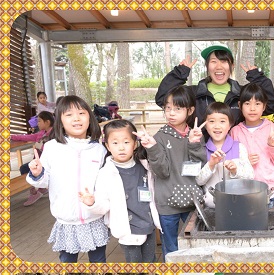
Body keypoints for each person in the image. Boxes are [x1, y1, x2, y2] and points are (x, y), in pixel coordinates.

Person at [26, 95, 109, 263]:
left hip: (94, 217)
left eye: (81, 113)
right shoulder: (51, 148)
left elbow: (105, 184)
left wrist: (98, 203)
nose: (76, 118)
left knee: (99, 262)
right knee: (67, 262)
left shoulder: (99, 150)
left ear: (90, 118)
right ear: (60, 121)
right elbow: (43, 182)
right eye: (69, 114)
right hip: (66, 221)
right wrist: (37, 174)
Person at [137, 85, 206, 260]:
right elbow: (162, 172)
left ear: (190, 110)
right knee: (171, 246)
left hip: (192, 202)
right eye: (168, 108)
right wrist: (152, 148)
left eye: (177, 108)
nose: (171, 113)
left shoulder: (196, 134)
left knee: (195, 243)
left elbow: (200, 168)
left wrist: (193, 144)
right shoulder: (159, 137)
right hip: (167, 204)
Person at [78, 119, 161, 263]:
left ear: (135, 144)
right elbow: (104, 204)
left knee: (151, 262)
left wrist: (151, 147)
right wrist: (92, 203)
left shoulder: (144, 166)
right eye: (115, 143)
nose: (121, 148)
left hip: (149, 224)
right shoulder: (106, 173)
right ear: (107, 146)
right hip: (128, 229)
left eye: (126, 142)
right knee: (135, 268)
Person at [155, 44, 274, 140]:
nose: (219, 66)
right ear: (207, 66)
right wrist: (179, 73)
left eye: (224, 61)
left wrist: (257, 78)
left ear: (232, 66)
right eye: (214, 61)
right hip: (200, 153)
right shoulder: (193, 93)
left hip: (236, 155)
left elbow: (270, 107)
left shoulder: (242, 93)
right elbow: (162, 98)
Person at [230, 83, 274, 207]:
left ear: (264, 106)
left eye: (257, 104)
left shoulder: (273, 128)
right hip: (245, 193)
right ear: (240, 106)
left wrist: (273, 146)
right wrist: (245, 162)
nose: (252, 108)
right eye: (247, 103)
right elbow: (231, 164)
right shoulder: (235, 132)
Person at [196, 102, 254, 208]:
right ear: (205, 124)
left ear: (230, 124)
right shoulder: (202, 150)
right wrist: (211, 164)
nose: (217, 126)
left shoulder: (239, 147)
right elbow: (199, 181)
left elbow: (250, 175)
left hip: (237, 206)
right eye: (212, 121)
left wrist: (235, 170)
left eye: (222, 121)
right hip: (211, 208)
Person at [11, 111, 54, 206]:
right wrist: (12, 136)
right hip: (39, 162)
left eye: (39, 121)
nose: (37, 123)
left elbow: (52, 150)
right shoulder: (41, 133)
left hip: (48, 163)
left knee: (25, 168)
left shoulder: (54, 134)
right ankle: (40, 188)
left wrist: (40, 146)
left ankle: (35, 191)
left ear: (47, 122)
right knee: (24, 168)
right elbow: (27, 137)